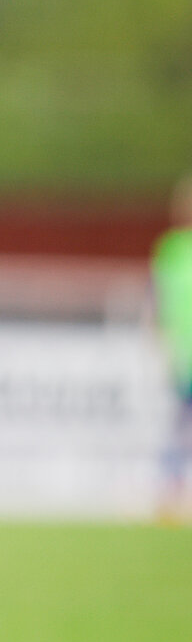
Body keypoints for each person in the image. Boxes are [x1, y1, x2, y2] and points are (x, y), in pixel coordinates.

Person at [151, 174, 192, 522]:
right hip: (186, 357)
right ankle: (171, 491)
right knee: (180, 426)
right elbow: (159, 303)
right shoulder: (172, 250)